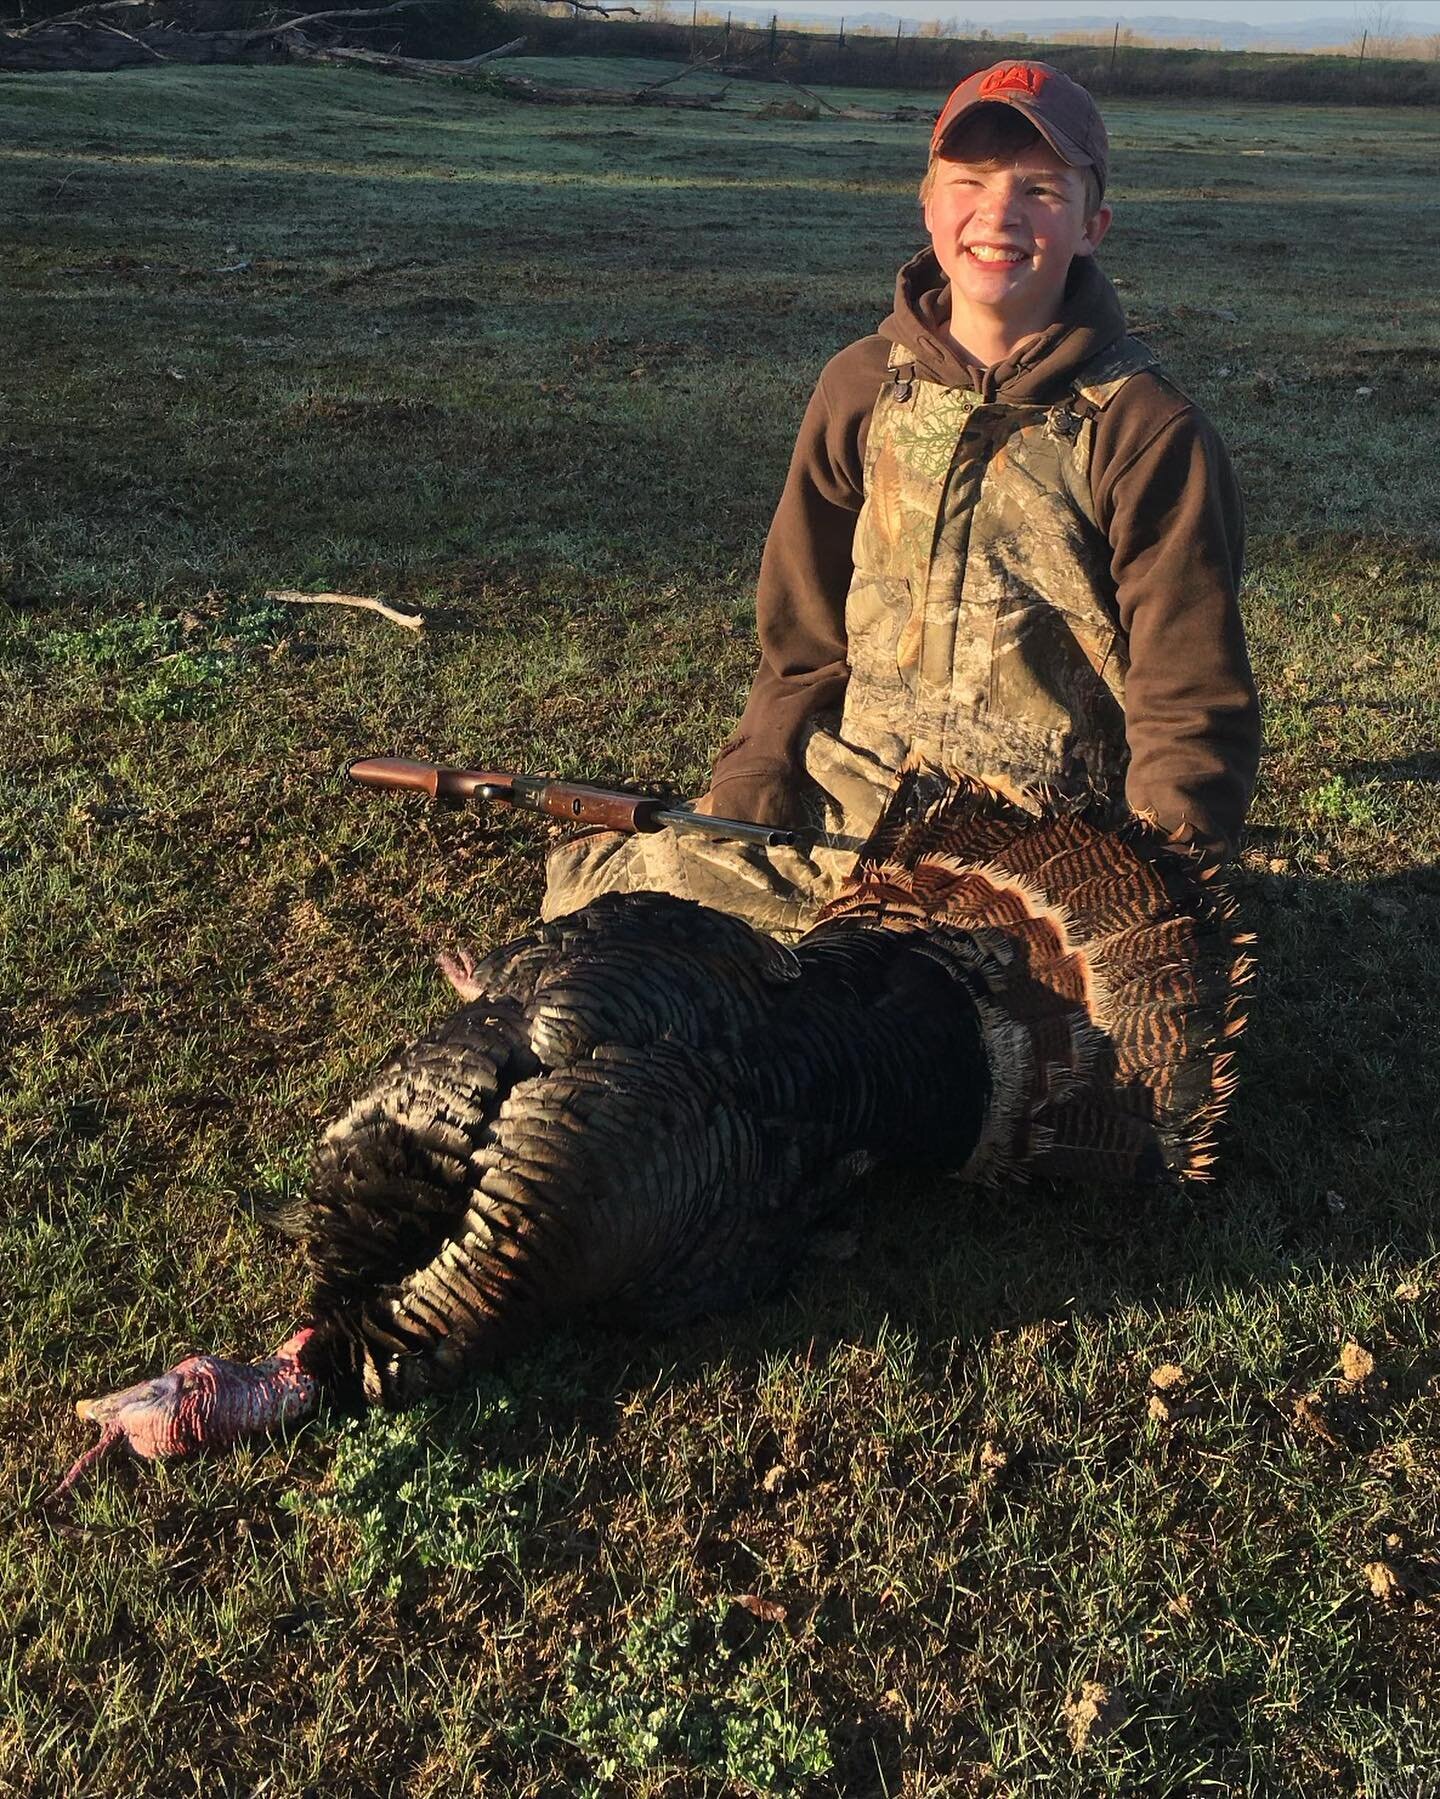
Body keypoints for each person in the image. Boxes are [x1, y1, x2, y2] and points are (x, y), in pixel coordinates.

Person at [543, 59, 1261, 938]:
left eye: (1040, 190)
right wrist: (759, 771)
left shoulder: (1144, 427)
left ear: (1091, 226)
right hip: (855, 804)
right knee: (605, 915)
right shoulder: (860, 387)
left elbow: (1188, 692)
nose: (998, 215)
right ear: (928, 207)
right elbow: (801, 635)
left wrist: (1165, 881)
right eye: (969, 183)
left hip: (1042, 844)